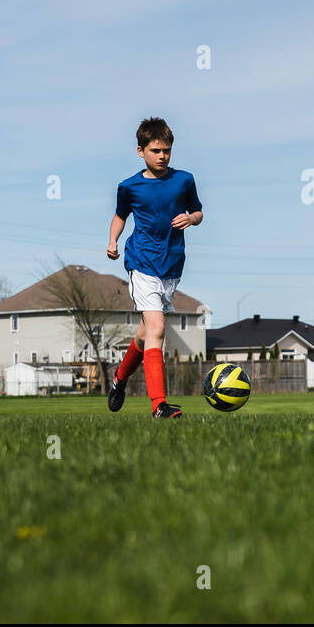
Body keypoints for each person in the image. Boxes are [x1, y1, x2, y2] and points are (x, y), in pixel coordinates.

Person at [105, 116, 203, 418]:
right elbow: (121, 216)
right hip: (142, 263)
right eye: (156, 150)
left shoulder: (183, 180)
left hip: (171, 267)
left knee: (143, 335)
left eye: (167, 151)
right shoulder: (129, 187)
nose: (162, 156)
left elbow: (199, 212)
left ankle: (119, 379)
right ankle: (158, 405)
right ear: (141, 151)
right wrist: (113, 241)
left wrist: (191, 218)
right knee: (158, 329)